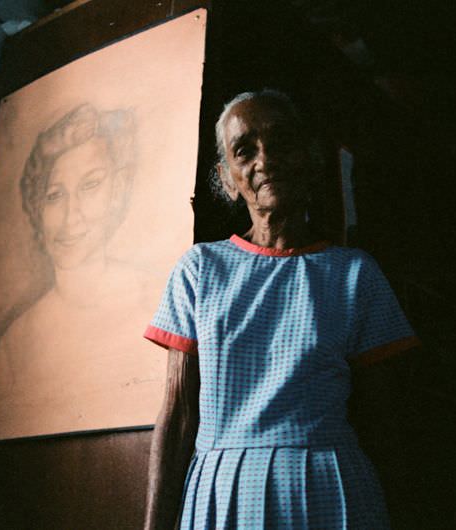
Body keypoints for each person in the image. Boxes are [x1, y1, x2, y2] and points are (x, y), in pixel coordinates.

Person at [143, 90, 420, 529]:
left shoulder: (354, 273)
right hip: (222, 492)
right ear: (228, 177)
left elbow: (384, 417)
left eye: (281, 142)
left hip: (331, 487)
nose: (264, 159)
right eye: (244, 150)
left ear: (308, 158)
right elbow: (177, 415)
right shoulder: (199, 269)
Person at [0, 103, 142, 439]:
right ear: (35, 207)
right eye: (54, 195)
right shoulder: (15, 344)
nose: (72, 217)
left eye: (89, 186)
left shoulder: (154, 300)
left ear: (117, 189)